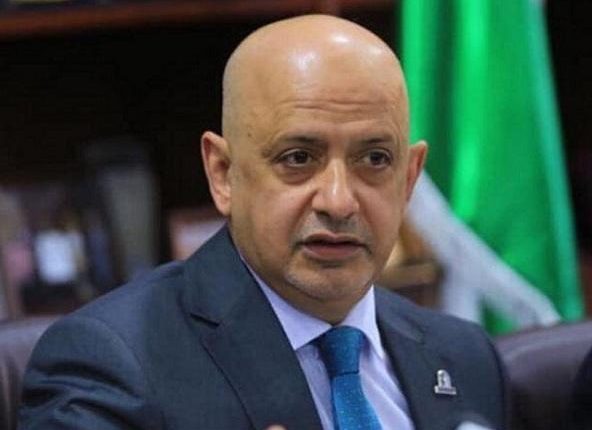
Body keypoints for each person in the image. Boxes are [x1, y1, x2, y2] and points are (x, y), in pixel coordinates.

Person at [19, 15, 507, 430]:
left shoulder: (466, 356)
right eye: (298, 158)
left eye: (375, 159)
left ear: (409, 178)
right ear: (223, 174)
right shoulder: (110, 365)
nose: (339, 202)